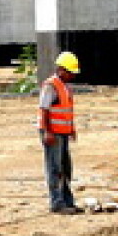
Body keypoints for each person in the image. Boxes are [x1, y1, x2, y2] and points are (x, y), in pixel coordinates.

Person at [38, 51, 80, 214]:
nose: (72, 76)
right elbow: (44, 110)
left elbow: (66, 111)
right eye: (70, 72)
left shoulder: (64, 87)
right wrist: (48, 132)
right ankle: (57, 202)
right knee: (54, 167)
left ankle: (67, 201)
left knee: (66, 167)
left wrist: (71, 129)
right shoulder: (51, 86)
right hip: (52, 133)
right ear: (62, 69)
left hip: (62, 132)